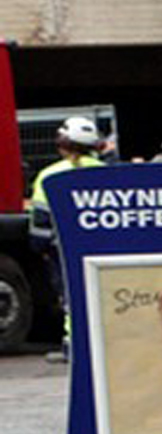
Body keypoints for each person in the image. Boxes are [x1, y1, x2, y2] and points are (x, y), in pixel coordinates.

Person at [27, 116, 106, 363]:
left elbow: (41, 222)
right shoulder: (107, 173)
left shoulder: (49, 176)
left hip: (63, 250)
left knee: (72, 298)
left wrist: (41, 248)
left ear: (62, 144)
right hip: (103, 248)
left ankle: (75, 345)